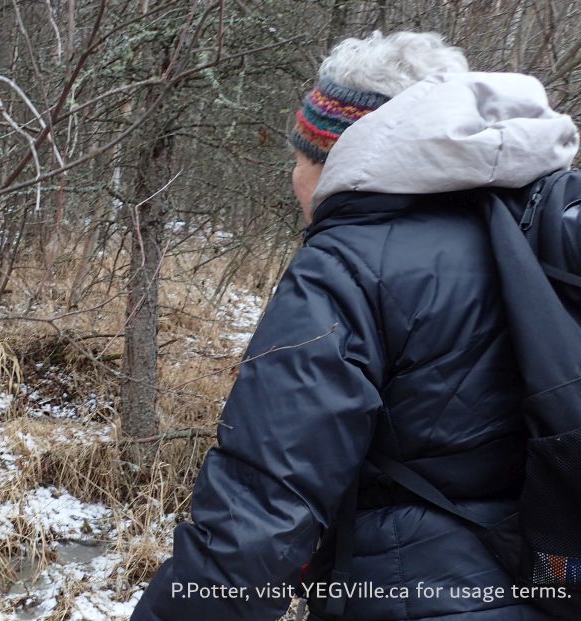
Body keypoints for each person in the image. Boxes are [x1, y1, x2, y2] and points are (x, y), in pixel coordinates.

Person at [130, 31, 580, 621]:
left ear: (339, 154)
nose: (293, 178)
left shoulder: (348, 263)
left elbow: (263, 505)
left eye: (300, 157)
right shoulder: (532, 233)